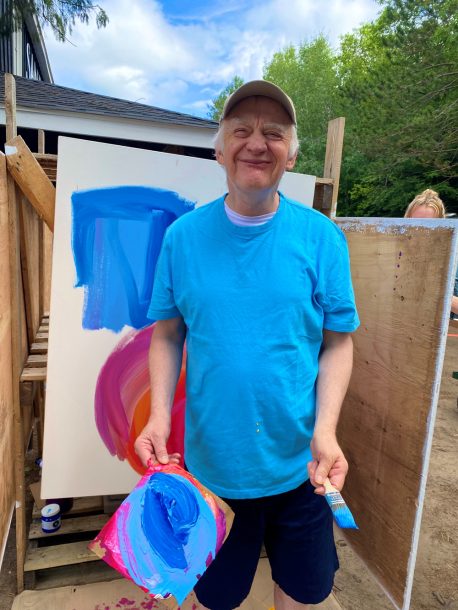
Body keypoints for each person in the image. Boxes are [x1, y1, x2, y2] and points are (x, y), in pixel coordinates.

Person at [134, 80, 360, 610]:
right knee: (214, 601)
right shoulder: (182, 238)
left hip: (302, 467)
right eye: (242, 130)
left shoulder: (322, 238)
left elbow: (337, 343)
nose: (257, 143)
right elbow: (167, 333)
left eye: (273, 133)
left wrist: (326, 431)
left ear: (292, 154)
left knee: (303, 596)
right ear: (219, 149)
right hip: (212, 470)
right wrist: (159, 418)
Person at [404, 189, 458, 317]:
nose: (420, 230)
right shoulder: (394, 252)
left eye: (429, 224)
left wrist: (437, 293)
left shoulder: (453, 257)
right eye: (415, 223)